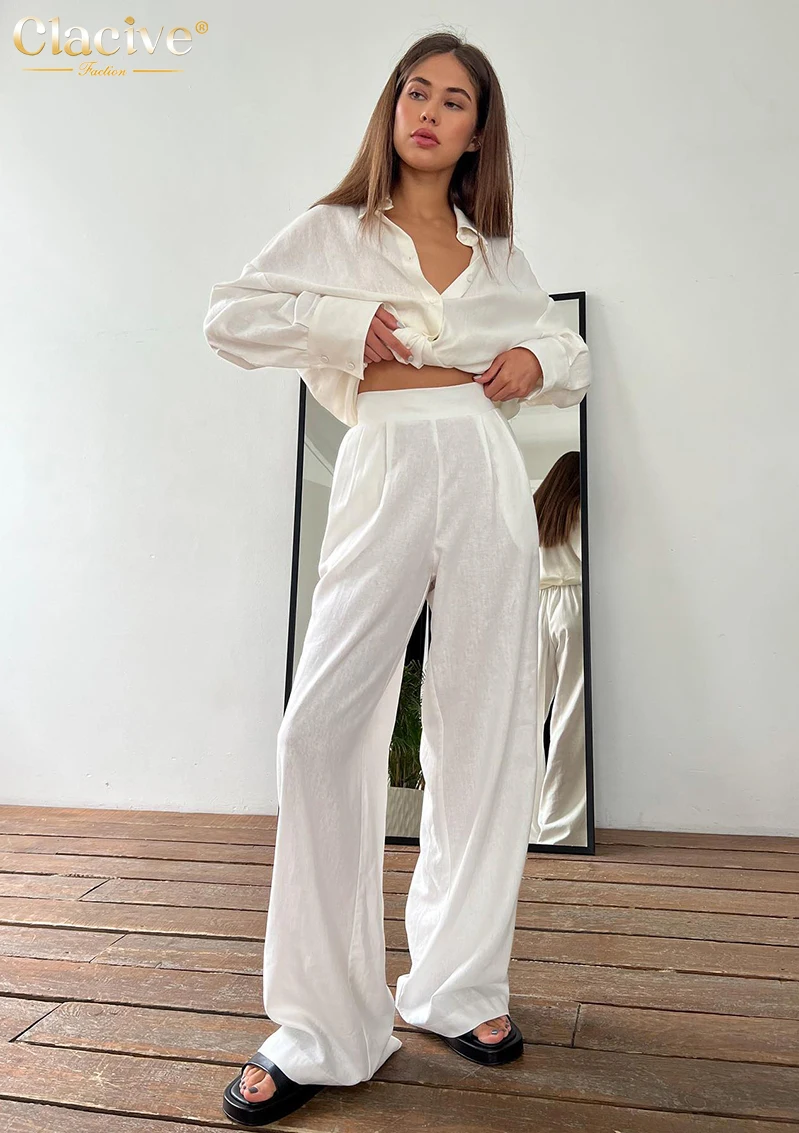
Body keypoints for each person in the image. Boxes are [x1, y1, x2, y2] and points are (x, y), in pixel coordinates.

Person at [202, 30, 591, 1127]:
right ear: (392, 110)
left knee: (484, 725)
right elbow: (228, 317)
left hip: (480, 465)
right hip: (385, 458)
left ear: (477, 132)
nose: (428, 111)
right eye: (415, 91)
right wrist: (340, 322)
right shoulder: (337, 229)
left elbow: (569, 355)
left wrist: (537, 359)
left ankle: (457, 984)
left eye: (454, 100)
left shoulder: (496, 252)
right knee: (319, 729)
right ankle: (321, 1024)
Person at [529, 452, 587, 846]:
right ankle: (560, 827)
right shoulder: (581, 509)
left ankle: (523, 823)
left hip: (536, 607)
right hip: (573, 603)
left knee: (525, 720)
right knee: (570, 719)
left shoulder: (534, 511)